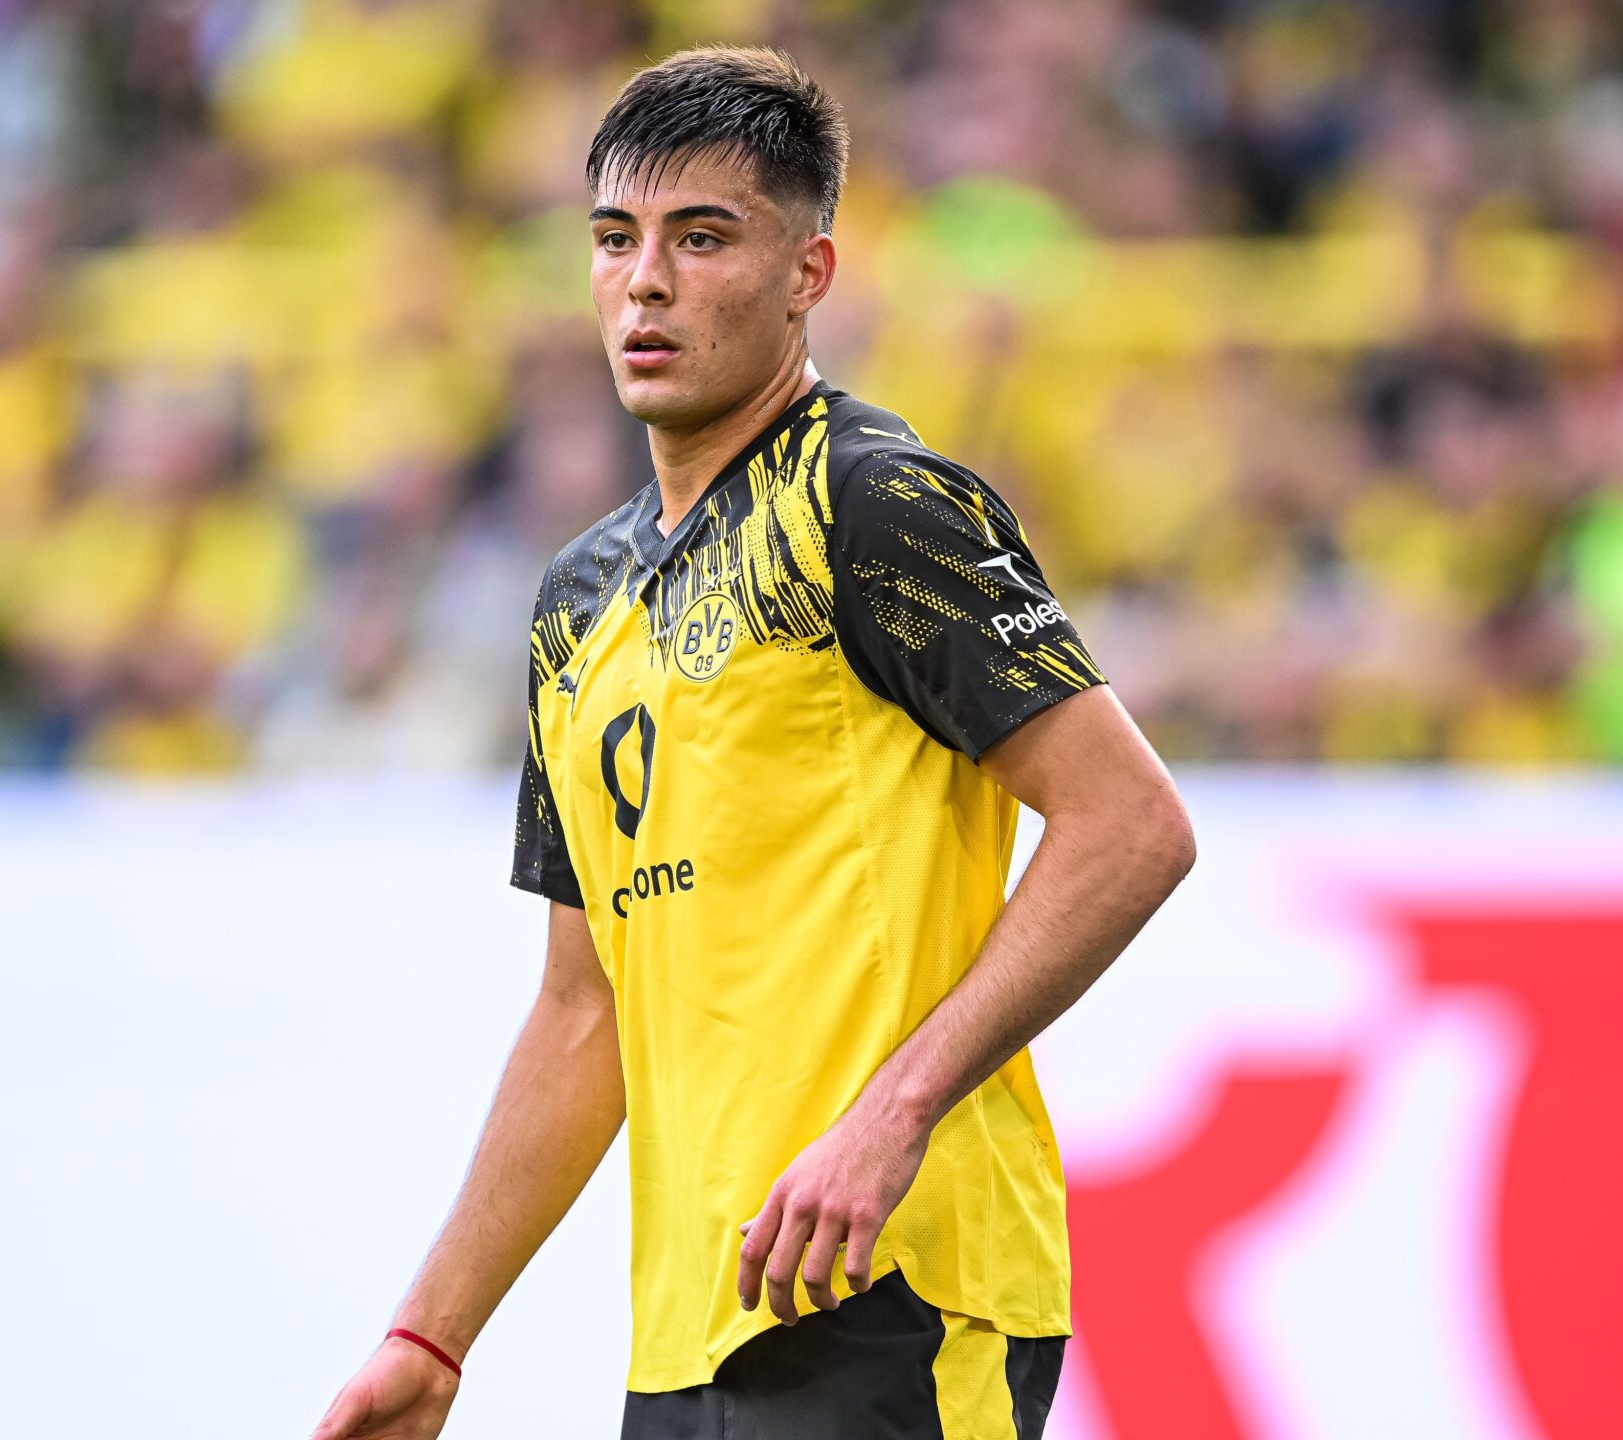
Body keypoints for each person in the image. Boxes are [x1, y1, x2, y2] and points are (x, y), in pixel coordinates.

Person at [312, 47, 1194, 1440]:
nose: (645, 283)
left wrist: (893, 1113)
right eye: (616, 238)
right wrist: (433, 1334)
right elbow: (583, 1007)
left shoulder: (874, 505)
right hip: (692, 1326)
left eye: (703, 237)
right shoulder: (576, 604)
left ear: (809, 273)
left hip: (899, 1282)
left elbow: (1132, 827)